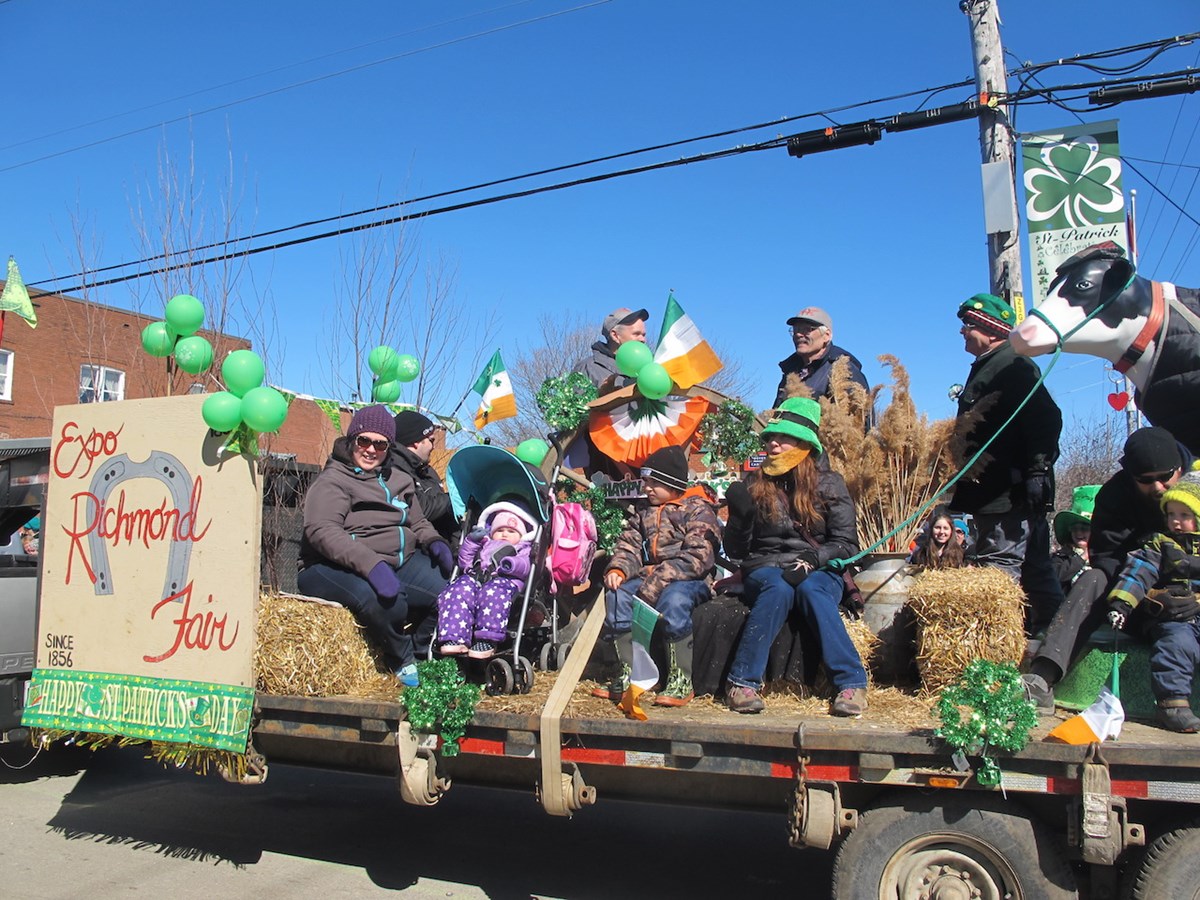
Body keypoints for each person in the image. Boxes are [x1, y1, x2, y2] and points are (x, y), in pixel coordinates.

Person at [1023, 427, 1193, 709]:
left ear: (1179, 466)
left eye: (1165, 477)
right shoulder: (1114, 496)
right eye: (1146, 480)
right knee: (1093, 578)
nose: (1158, 488)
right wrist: (1149, 598)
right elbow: (1107, 558)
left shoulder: (1197, 481)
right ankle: (1043, 676)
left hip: (1193, 594)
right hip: (1133, 596)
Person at [721, 398, 868, 716]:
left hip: (818, 567)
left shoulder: (830, 484)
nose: (773, 442)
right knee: (780, 586)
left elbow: (847, 544)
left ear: (804, 443)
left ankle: (851, 683)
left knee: (811, 588)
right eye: (771, 437)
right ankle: (742, 682)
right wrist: (739, 518)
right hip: (766, 567)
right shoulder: (754, 483)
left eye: (782, 437)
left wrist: (815, 559)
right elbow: (737, 552)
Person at [297, 405, 454, 688]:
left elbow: (417, 522)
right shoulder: (333, 480)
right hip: (330, 566)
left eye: (380, 444)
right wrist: (371, 566)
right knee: (386, 601)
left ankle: (420, 655)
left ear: (389, 447)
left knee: (450, 595)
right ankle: (400, 659)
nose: (371, 449)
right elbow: (322, 531)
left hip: (396, 560)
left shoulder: (399, 479)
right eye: (364, 441)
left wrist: (435, 542)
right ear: (352, 440)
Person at [949, 292, 1064, 634]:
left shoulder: (1013, 364)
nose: (963, 332)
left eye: (968, 325)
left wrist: (1037, 470)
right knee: (1035, 569)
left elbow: (1046, 418)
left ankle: (997, 652)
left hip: (1008, 495)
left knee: (1000, 570)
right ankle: (1054, 640)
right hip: (995, 495)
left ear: (991, 329)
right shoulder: (991, 365)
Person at [593, 445, 721, 708]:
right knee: (617, 594)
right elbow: (628, 546)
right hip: (651, 576)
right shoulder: (643, 512)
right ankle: (628, 673)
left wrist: (657, 578)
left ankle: (680, 678)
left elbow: (699, 557)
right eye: (646, 482)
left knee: (674, 601)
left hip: (689, 580)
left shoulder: (697, 510)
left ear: (673, 484)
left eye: (654, 482)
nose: (647, 488)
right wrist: (619, 568)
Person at [1106, 473, 1200, 732]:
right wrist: (1122, 603)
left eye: (1184, 515)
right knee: (1176, 643)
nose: (1176, 522)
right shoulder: (1161, 544)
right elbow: (1138, 571)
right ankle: (1172, 704)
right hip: (1177, 616)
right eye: (1171, 515)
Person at [436, 500, 537, 660]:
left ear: (521, 535)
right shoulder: (484, 544)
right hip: (477, 578)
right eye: (500, 530)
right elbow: (464, 562)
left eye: (511, 531)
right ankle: (454, 636)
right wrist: (471, 542)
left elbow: (525, 566)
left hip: (504, 582)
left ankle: (487, 640)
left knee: (492, 592)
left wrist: (511, 564)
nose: (504, 534)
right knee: (458, 588)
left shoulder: (522, 548)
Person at [773, 306, 869, 408]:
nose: (798, 334)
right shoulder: (791, 372)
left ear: (827, 335)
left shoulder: (844, 371)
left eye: (807, 329)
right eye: (796, 329)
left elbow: (859, 419)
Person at [389, 410, 459, 547]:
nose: (434, 447)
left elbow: (444, 512)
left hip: (442, 546)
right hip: (416, 550)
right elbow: (420, 509)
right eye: (431, 440)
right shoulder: (393, 469)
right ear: (416, 442)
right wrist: (454, 499)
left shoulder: (426, 470)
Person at [572, 306, 649, 392]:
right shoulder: (587, 368)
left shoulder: (648, 370)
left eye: (643, 335)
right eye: (636, 334)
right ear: (615, 335)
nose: (643, 339)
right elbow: (575, 403)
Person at [1050, 485, 1100, 596]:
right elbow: (1054, 578)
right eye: (1074, 528)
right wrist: (1082, 558)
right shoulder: (1060, 558)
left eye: (1084, 528)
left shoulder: (1105, 558)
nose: (1079, 533)